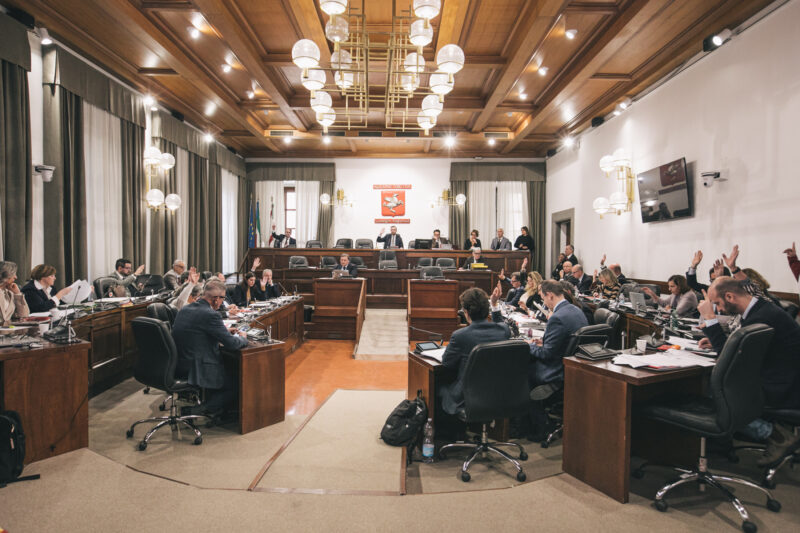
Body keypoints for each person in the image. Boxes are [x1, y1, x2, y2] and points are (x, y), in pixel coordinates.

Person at [698, 277, 800, 467]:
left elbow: (730, 362)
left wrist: (711, 320)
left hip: (783, 388)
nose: (719, 309)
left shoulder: (761, 318)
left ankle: (774, 435)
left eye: (717, 303)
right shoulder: (762, 309)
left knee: (714, 392)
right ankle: (719, 442)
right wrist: (724, 341)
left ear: (730, 296)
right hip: (783, 378)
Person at [172, 280, 249, 417]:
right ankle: (200, 410)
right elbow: (232, 344)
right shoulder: (211, 315)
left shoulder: (185, 309)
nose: (222, 301)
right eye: (223, 298)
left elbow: (197, 331)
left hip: (179, 363)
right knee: (239, 381)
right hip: (197, 368)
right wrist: (243, 337)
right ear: (216, 299)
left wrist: (223, 331)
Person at [526, 280, 588, 441]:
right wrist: (543, 342)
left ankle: (540, 424)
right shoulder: (576, 310)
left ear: (550, 295)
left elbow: (546, 354)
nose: (544, 303)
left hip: (555, 370)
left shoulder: (557, 317)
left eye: (543, 298)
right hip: (573, 367)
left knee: (519, 372)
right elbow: (563, 342)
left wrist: (527, 346)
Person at [438, 287, 510, 420]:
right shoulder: (503, 331)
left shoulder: (460, 336)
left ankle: (445, 430)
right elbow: (500, 323)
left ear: (465, 312)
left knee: (437, 386)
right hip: (497, 394)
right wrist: (494, 304)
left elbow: (446, 363)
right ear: (486, 310)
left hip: (466, 397)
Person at [0, 261, 30, 326]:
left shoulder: (9, 293)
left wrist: (17, 294)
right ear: (5, 275)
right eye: (13, 274)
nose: (16, 277)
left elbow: (24, 315)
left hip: (7, 330)